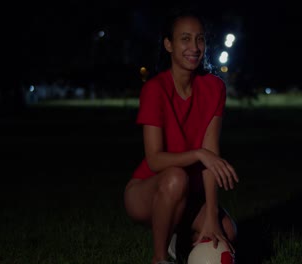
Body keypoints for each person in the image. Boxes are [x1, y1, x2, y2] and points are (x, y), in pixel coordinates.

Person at [123, 7, 239, 264]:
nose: (194, 47)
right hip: (148, 191)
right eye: (185, 39)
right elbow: (154, 160)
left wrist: (211, 215)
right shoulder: (155, 89)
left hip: (189, 192)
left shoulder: (214, 88)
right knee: (176, 177)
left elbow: (211, 155)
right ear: (168, 44)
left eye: (200, 38)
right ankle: (160, 257)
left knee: (227, 231)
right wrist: (199, 154)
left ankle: (179, 239)